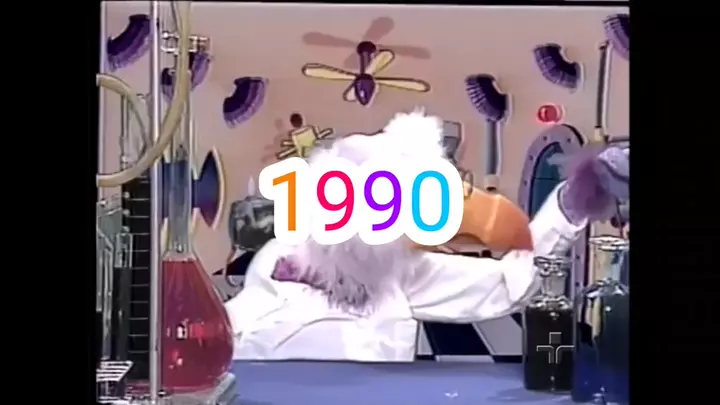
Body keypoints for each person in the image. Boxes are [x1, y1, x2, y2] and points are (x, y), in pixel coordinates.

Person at [224, 110, 629, 361]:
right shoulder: (280, 261)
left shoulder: (399, 273)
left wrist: (572, 203)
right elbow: (231, 340)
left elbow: (506, 286)